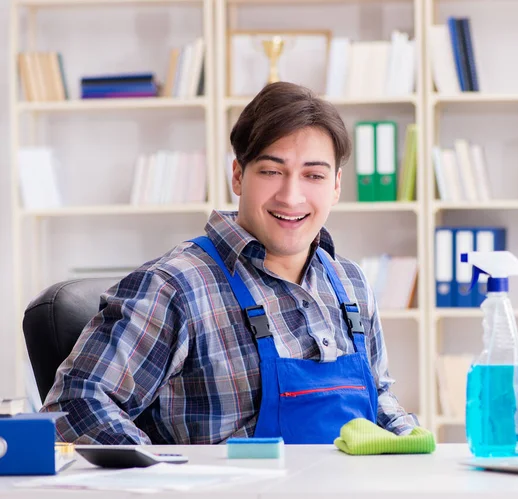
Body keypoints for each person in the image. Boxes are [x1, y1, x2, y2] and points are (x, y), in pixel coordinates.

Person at [41, 81, 420, 445]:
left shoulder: (350, 282)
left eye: (313, 175)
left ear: (336, 185)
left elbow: (379, 398)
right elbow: (75, 405)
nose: (291, 196)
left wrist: (414, 446)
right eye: (272, 171)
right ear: (238, 176)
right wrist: (167, 474)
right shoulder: (175, 287)